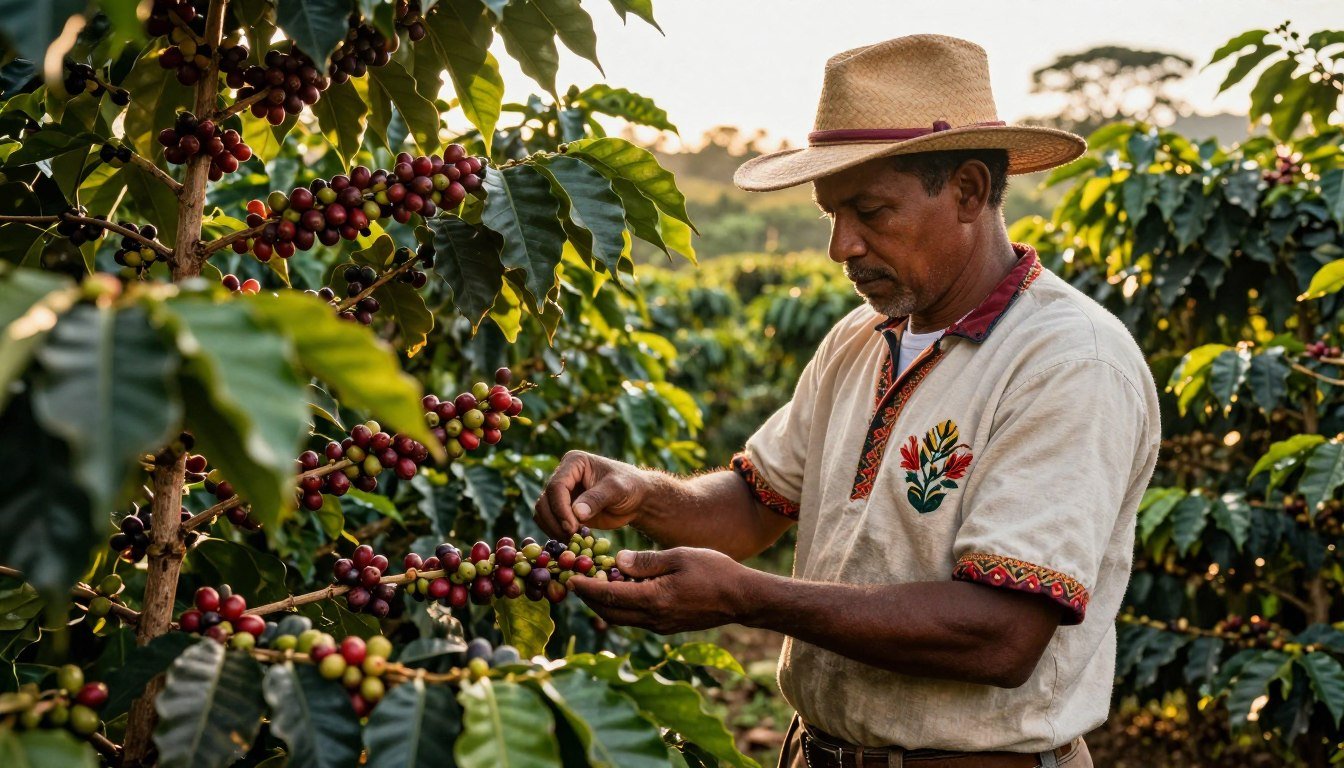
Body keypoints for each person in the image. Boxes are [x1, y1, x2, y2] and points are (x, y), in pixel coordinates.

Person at [534, 34, 1160, 768]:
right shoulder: (861, 339)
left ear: (968, 191)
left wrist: (747, 598)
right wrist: (644, 494)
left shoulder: (1069, 362)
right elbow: (756, 503)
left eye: (870, 211)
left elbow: (998, 635)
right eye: (832, 213)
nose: (841, 246)